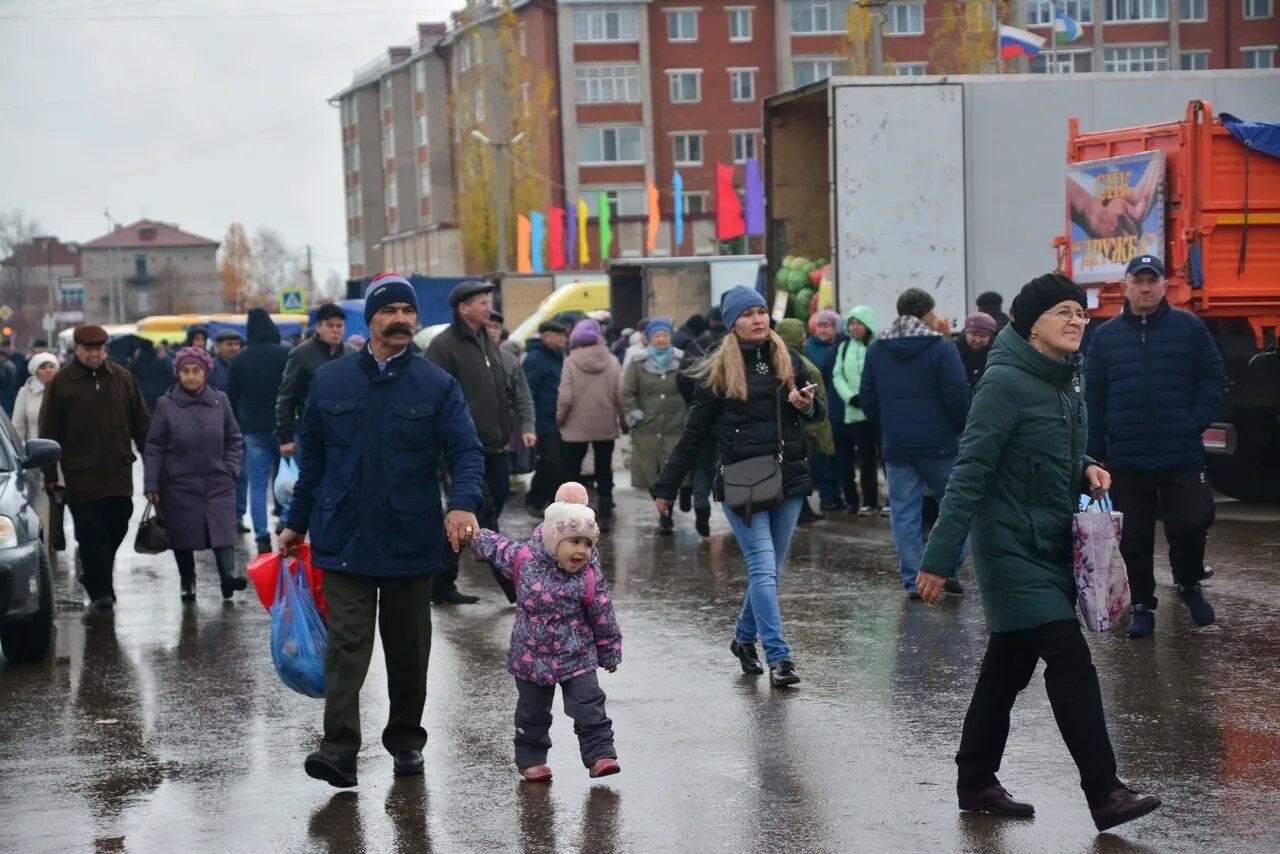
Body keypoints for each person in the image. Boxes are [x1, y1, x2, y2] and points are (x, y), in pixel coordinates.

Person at [916, 273, 1161, 833]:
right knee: (1070, 660)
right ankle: (1105, 792)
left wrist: (1086, 465)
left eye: (1081, 312)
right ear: (1031, 325)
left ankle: (975, 780)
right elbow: (971, 471)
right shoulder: (1004, 384)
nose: (1077, 321)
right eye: (1064, 313)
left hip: (1050, 541)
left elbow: (1049, 448)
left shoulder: (1064, 379)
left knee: (1007, 667)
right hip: (1009, 549)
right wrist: (939, 557)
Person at [279, 273, 485, 789]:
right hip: (342, 534)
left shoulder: (436, 384)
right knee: (346, 645)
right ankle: (339, 750)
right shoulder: (330, 381)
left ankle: (406, 741)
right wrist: (294, 524)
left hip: (409, 537)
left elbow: (466, 452)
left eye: (407, 312)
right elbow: (314, 462)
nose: (400, 320)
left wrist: (461, 505)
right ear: (368, 320)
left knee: (408, 649)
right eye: (389, 311)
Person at [652, 286, 824, 688]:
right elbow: (692, 436)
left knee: (771, 573)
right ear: (732, 323)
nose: (758, 320)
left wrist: (807, 405)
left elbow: (817, 410)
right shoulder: (719, 371)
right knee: (763, 568)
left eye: (761, 311)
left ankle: (744, 639)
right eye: (747, 314)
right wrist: (666, 487)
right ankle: (779, 657)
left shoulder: (788, 358)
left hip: (789, 477)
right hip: (741, 482)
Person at [1084, 255, 1226, 638]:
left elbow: (1214, 377)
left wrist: (1192, 421)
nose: (1145, 288)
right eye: (1138, 280)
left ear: (1165, 286)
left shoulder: (1189, 328)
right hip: (1127, 457)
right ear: (1125, 286)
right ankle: (1143, 604)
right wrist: (1095, 455)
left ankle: (1189, 582)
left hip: (1180, 451)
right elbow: (1093, 398)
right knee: (1134, 535)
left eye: (1153, 280)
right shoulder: (1105, 336)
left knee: (1192, 521)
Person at [470, 482, 622, 782]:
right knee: (532, 713)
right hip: (530, 657)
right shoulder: (525, 559)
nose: (581, 550)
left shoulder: (589, 575)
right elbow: (495, 546)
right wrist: (472, 533)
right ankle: (532, 759)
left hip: (576, 655)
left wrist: (609, 651)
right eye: (574, 542)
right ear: (554, 539)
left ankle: (600, 755)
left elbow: (603, 613)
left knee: (589, 704)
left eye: (587, 543)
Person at [860, 288, 971, 598]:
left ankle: (913, 581)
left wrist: (888, 429)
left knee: (904, 514)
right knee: (956, 509)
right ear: (926, 314)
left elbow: (867, 397)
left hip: (898, 446)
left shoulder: (877, 349)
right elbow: (957, 392)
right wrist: (959, 427)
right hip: (941, 445)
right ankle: (946, 570)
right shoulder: (941, 347)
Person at [426, 279, 526, 605]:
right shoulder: (444, 346)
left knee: (479, 511)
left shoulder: (486, 339)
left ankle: (440, 583)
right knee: (485, 515)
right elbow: (433, 399)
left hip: (495, 445)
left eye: (489, 301)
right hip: (461, 448)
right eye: (482, 302)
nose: (488, 307)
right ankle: (517, 589)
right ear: (463, 307)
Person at [39, 324, 151, 610]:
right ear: (77, 350)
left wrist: (154, 467)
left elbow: (141, 424)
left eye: (99, 349)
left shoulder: (122, 378)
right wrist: (50, 475)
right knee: (91, 532)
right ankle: (101, 589)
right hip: (81, 474)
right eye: (89, 350)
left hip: (118, 470)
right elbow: (49, 432)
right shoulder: (62, 383)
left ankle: (96, 573)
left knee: (119, 523)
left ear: (106, 350)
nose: (94, 355)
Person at [143, 347, 246, 602]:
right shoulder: (166, 405)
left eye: (196, 371)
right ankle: (187, 580)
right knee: (182, 535)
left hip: (217, 480)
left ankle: (227, 578)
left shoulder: (220, 400)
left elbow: (234, 438)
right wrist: (152, 483)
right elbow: (154, 446)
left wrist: (230, 469)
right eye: (185, 372)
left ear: (205, 372)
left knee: (223, 532)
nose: (191, 377)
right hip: (178, 483)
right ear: (178, 374)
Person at [227, 308, 290, 554]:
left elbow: (232, 398)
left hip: (254, 430)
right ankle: (286, 523)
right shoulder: (286, 353)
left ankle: (261, 536)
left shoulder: (240, 359)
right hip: (284, 429)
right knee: (287, 480)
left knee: (257, 485)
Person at [622, 317, 689, 534]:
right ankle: (664, 515)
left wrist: (689, 417)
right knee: (652, 473)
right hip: (647, 429)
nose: (661, 339)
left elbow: (692, 390)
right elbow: (628, 393)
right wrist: (636, 416)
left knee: (674, 470)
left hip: (675, 426)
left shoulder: (683, 361)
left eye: (665, 335)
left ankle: (670, 505)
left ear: (671, 337)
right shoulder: (637, 362)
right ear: (649, 338)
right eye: (656, 335)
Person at [557, 319, 625, 531]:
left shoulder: (570, 361)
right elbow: (620, 395)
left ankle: (572, 514)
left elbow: (565, 395)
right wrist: (623, 421)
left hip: (576, 424)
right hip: (604, 422)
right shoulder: (612, 360)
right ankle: (604, 515)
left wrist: (560, 418)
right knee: (604, 468)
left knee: (573, 469)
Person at [276, 303, 354, 461]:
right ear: (318, 327)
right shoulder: (301, 355)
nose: (335, 330)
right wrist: (286, 438)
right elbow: (287, 397)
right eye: (330, 325)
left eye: (339, 326)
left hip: (347, 434)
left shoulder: (351, 354)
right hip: (313, 433)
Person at [776, 318, 835, 525]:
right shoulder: (797, 363)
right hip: (806, 428)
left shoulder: (789, 360)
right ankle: (803, 510)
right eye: (801, 334)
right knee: (803, 469)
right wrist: (813, 426)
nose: (805, 337)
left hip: (803, 426)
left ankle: (803, 509)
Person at [831, 305, 881, 516]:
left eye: (859, 322)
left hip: (878, 411)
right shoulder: (844, 349)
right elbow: (837, 376)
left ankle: (888, 501)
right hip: (855, 412)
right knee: (865, 459)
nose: (855, 327)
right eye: (852, 323)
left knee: (887, 456)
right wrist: (851, 396)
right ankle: (869, 501)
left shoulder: (878, 347)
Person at [486, 310, 536, 493]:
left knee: (500, 488)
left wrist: (528, 428)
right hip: (470, 437)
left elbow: (523, 396)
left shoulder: (509, 360)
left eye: (496, 327)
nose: (492, 330)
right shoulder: (462, 357)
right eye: (488, 326)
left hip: (501, 436)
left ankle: (490, 521)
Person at [522, 320, 568, 516]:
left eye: (564, 335)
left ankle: (552, 503)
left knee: (559, 463)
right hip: (543, 420)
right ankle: (534, 500)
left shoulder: (558, 355)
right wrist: (530, 421)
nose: (563, 339)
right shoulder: (535, 358)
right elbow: (528, 391)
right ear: (546, 336)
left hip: (560, 419)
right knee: (550, 461)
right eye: (559, 335)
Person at [209, 329, 249, 534]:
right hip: (216, 430)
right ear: (218, 347)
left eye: (236, 344)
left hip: (241, 429)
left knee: (241, 475)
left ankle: (237, 517)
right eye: (229, 344)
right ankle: (217, 517)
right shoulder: (211, 369)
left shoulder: (244, 366)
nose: (234, 348)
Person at [804, 309, 842, 514]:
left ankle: (837, 494)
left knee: (837, 456)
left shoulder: (840, 348)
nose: (823, 329)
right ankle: (827, 497)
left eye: (827, 326)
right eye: (820, 325)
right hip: (819, 407)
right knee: (822, 456)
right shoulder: (809, 349)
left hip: (835, 407)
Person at [13, 352, 59, 443]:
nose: (48, 370)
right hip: (36, 450)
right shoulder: (26, 392)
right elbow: (18, 425)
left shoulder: (64, 391)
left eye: (51, 367)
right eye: (43, 367)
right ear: (35, 372)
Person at [128, 340, 173, 413]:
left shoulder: (134, 364)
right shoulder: (161, 362)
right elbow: (170, 379)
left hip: (141, 396)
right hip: (160, 395)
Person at [957, 311, 997, 391]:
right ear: (965, 333)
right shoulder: (953, 352)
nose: (977, 340)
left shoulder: (996, 355)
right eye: (974, 334)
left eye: (983, 336)